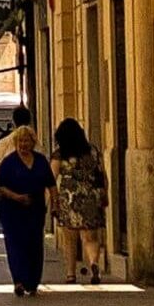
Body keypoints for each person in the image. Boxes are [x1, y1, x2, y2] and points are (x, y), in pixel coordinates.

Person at [0, 121, 55, 296]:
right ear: (15, 143)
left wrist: (55, 205)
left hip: (35, 210)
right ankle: (18, 281)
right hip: (12, 211)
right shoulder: (8, 162)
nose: (23, 144)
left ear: (33, 142)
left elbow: (51, 184)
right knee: (15, 244)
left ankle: (32, 282)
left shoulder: (40, 161)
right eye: (20, 141)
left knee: (34, 244)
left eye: (26, 141)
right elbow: (0, 186)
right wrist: (16, 197)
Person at [52, 118, 110, 282]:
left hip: (70, 199)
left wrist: (52, 201)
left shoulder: (60, 154)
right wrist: (104, 194)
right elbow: (102, 175)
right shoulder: (93, 151)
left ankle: (71, 274)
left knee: (70, 240)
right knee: (91, 237)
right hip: (91, 196)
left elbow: (51, 178)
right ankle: (94, 264)